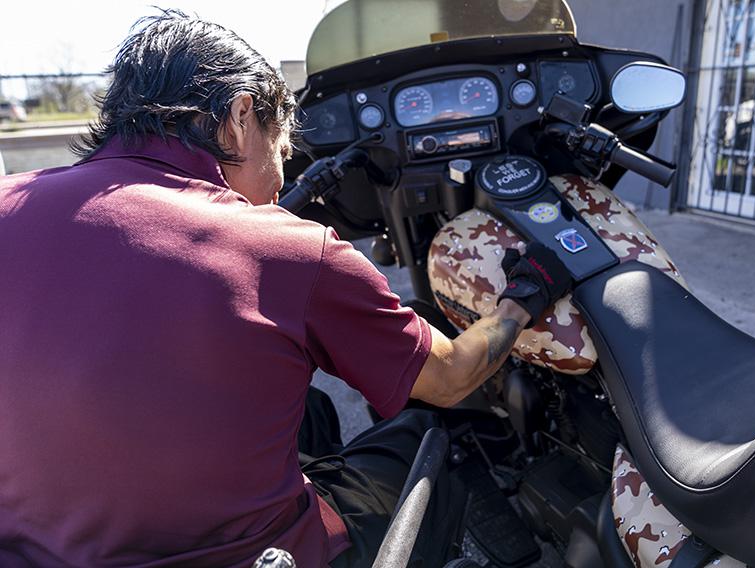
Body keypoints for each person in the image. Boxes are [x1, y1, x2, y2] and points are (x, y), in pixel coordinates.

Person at [0, 10, 571, 568]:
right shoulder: (288, 249)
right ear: (242, 115)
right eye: (281, 149)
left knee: (312, 410)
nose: (281, 179)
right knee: (421, 435)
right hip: (254, 557)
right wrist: (523, 297)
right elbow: (449, 379)